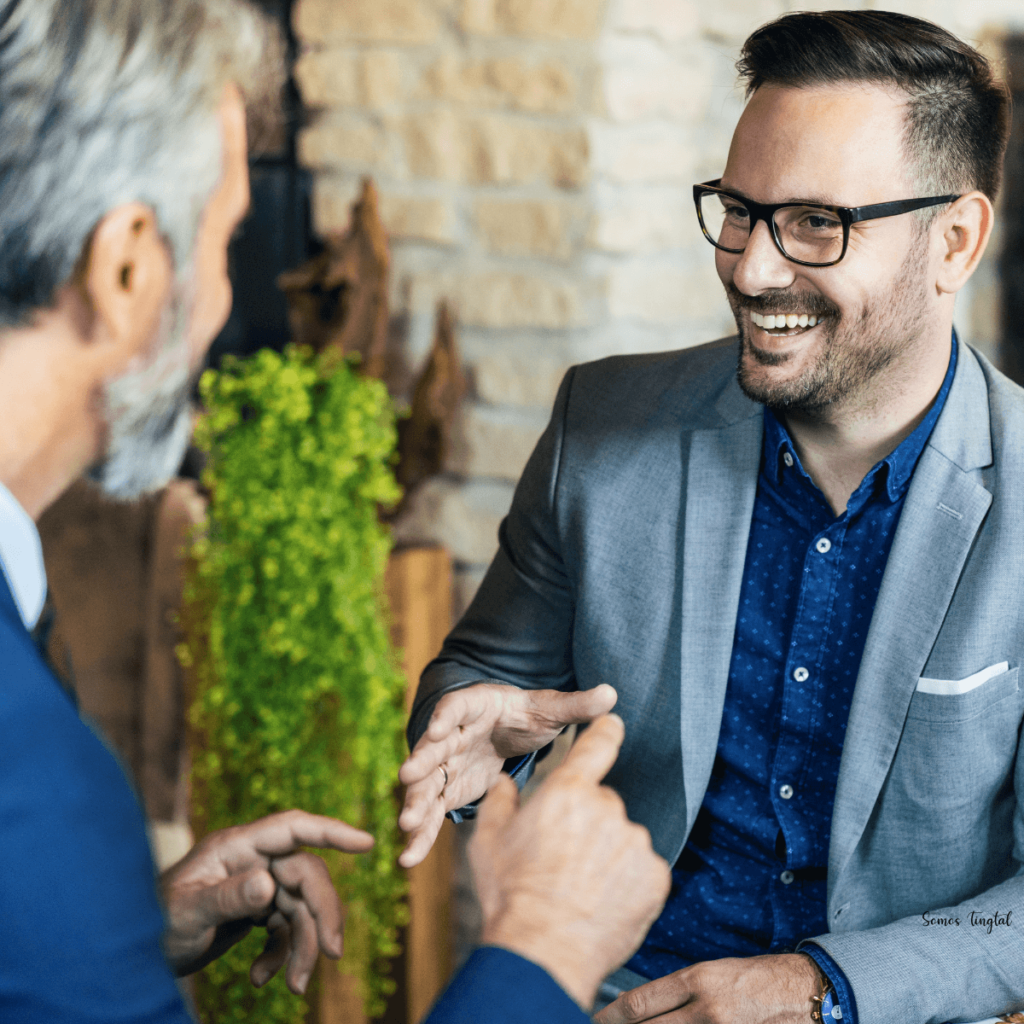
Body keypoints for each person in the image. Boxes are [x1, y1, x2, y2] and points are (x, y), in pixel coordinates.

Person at [0, 0, 671, 1019]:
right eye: (226, 244)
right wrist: (541, 948)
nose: (225, 301)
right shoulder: (33, 775)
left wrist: (118, 929)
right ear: (127, 265)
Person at [400, 10, 1024, 1024]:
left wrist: (820, 988)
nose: (752, 267)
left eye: (817, 223)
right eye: (739, 209)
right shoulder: (597, 427)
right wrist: (472, 731)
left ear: (954, 239)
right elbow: (478, 682)